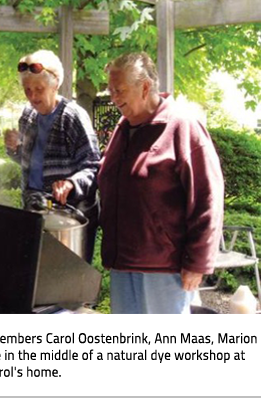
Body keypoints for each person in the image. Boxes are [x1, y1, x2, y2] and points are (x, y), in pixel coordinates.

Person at [98, 52, 225, 314]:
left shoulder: (182, 126)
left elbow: (208, 198)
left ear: (144, 87)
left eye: (119, 90)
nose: (113, 97)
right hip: (123, 264)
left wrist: (197, 262)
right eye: (110, 90)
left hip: (165, 269)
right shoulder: (123, 129)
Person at [5, 50, 101, 264]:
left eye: (39, 89)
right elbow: (30, 164)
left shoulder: (72, 116)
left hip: (70, 219)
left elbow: (93, 167)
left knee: (68, 279)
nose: (32, 96)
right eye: (27, 89)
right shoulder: (28, 115)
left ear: (56, 83)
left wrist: (70, 183)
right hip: (36, 211)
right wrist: (14, 149)